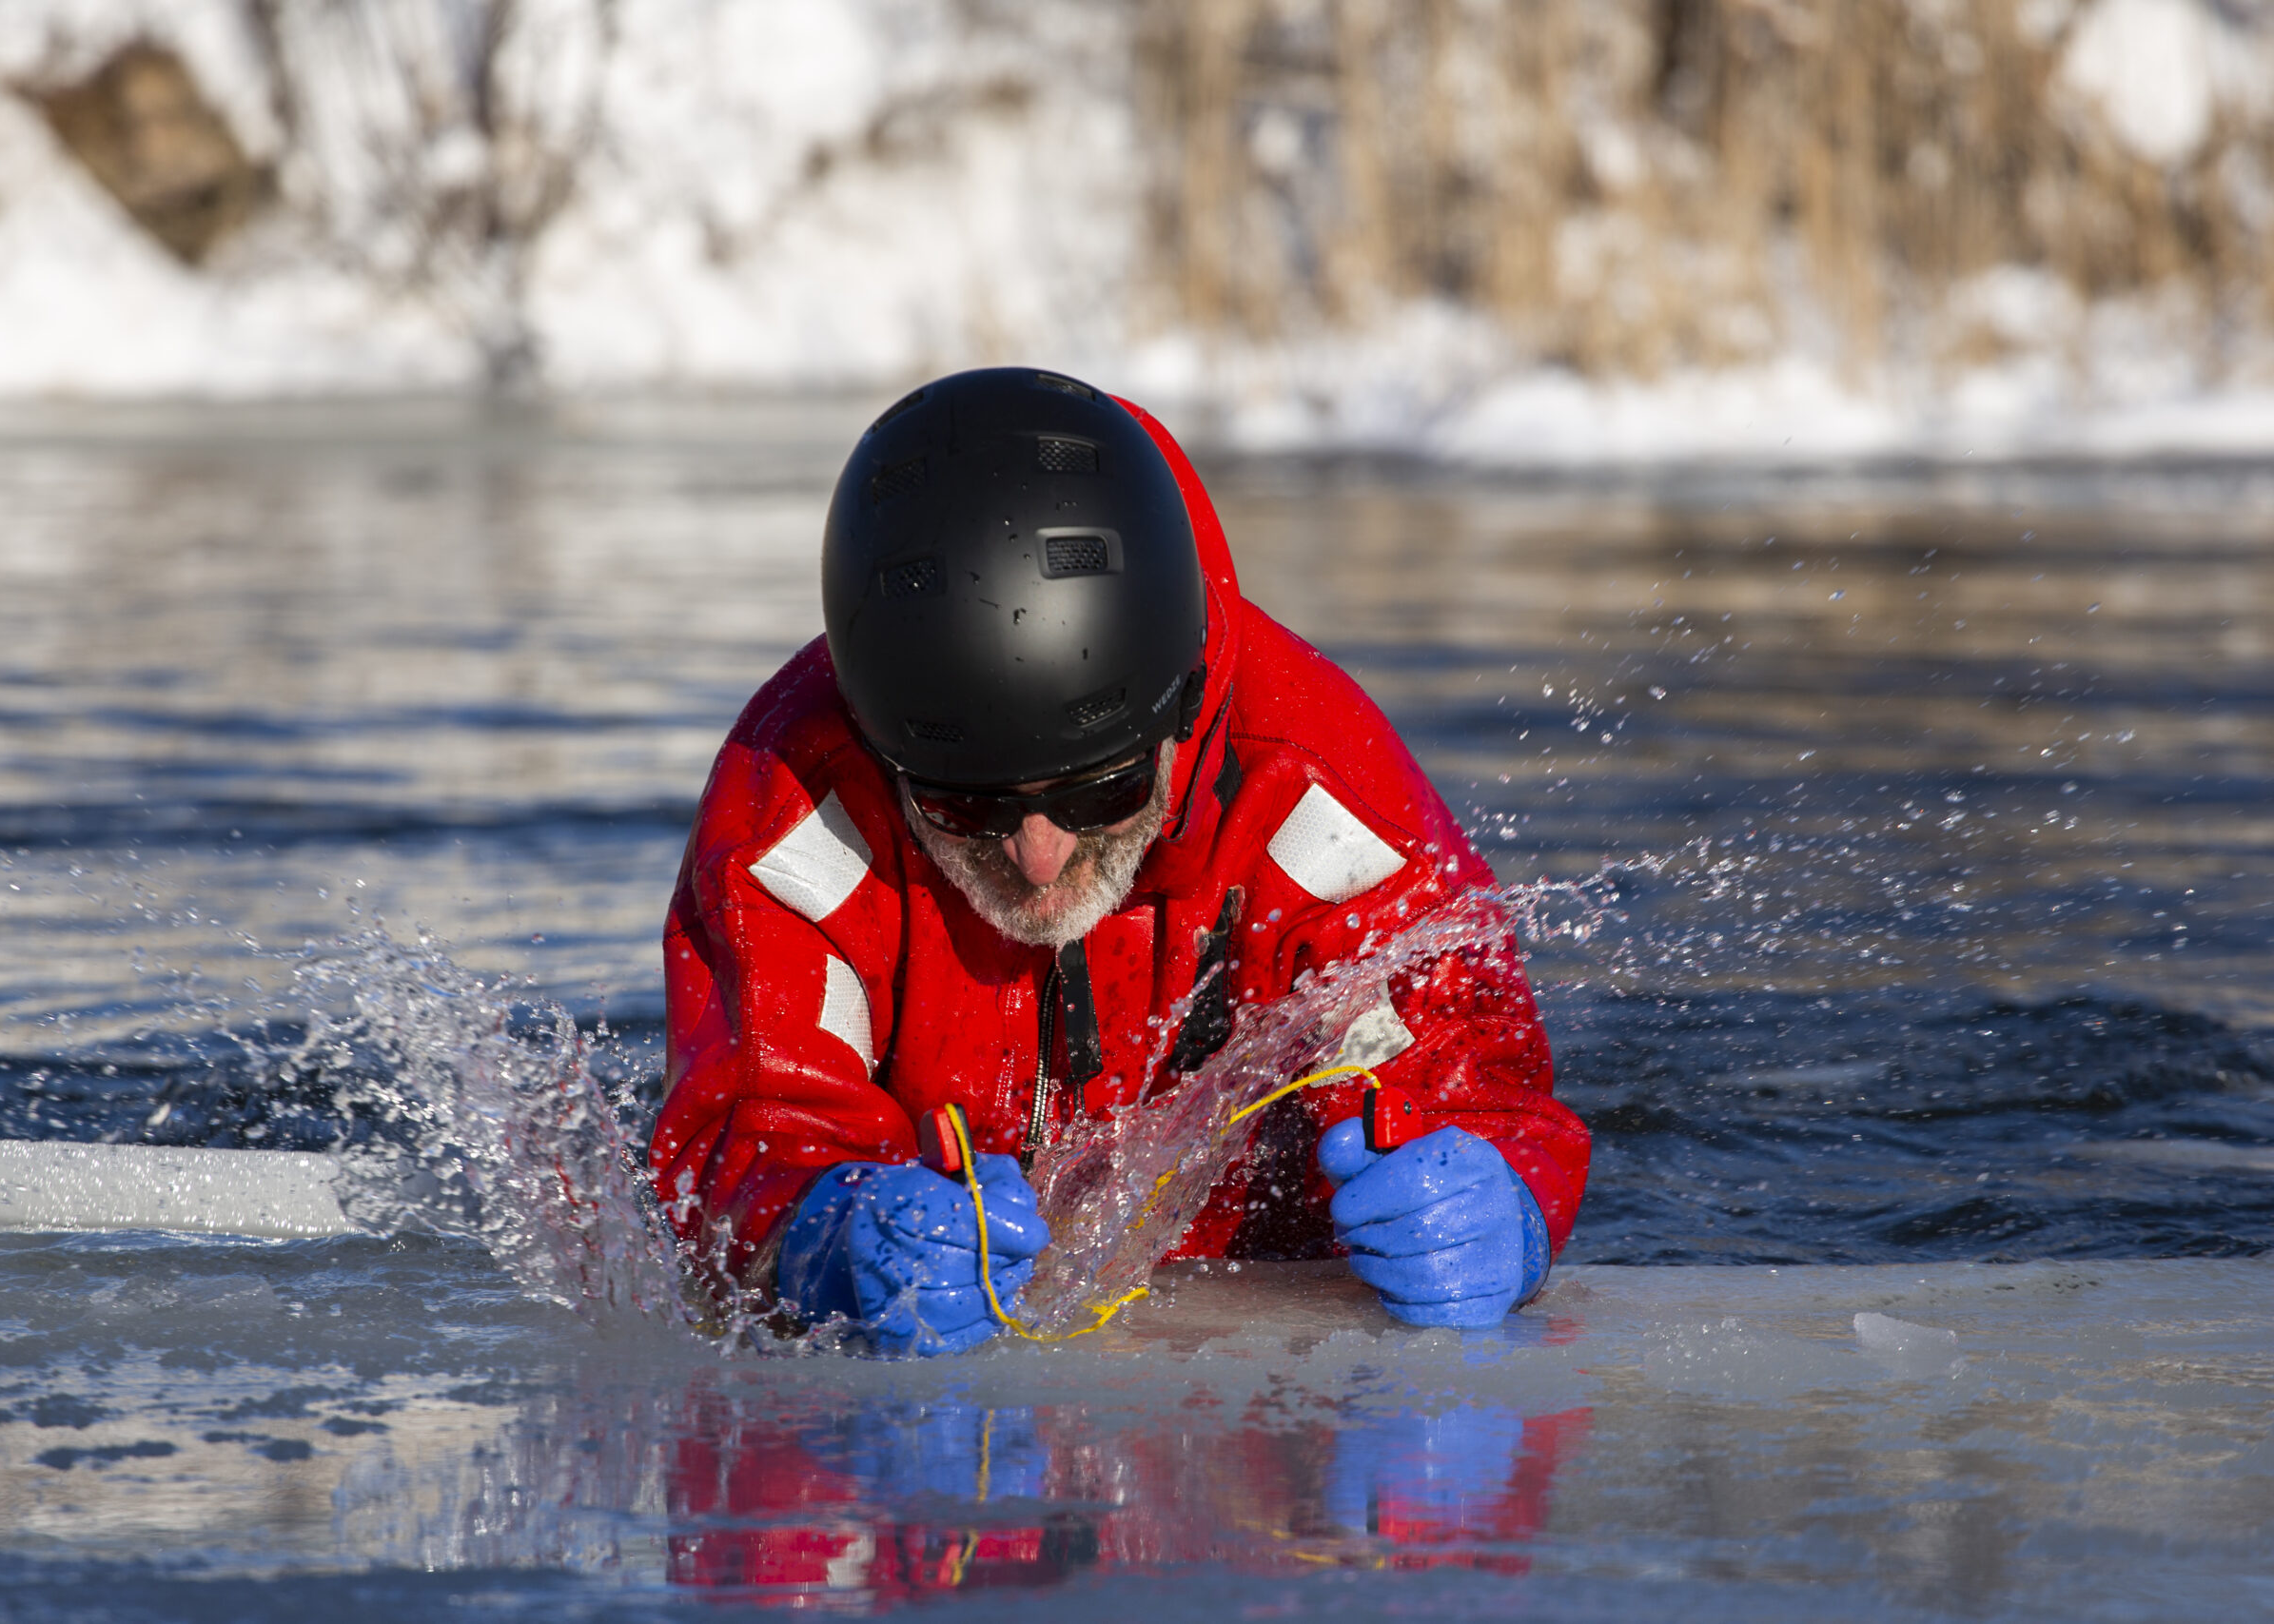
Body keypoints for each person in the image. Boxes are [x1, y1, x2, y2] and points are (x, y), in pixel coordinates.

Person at [648, 367, 1588, 1355]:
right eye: (966, 803)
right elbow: (747, 1127)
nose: (1038, 856)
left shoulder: (1312, 791)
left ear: (1183, 716)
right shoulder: (797, 805)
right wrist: (818, 1232)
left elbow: (1476, 1080)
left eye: (1100, 793)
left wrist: (1504, 1203)